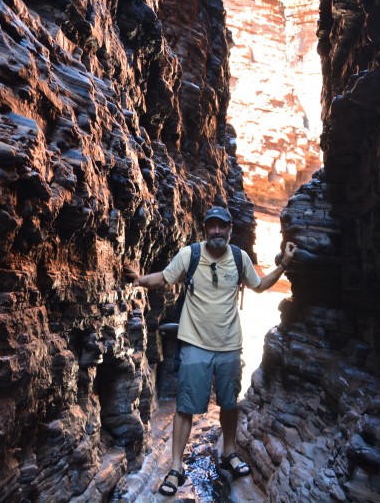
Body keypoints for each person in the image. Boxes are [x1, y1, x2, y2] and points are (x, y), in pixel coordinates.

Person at [124, 205, 297, 497]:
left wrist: (284, 265)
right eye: (212, 226)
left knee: (229, 402)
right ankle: (176, 467)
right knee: (185, 406)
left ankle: (229, 453)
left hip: (229, 346)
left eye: (222, 226)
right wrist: (140, 280)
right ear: (205, 229)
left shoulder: (239, 258)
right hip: (195, 345)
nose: (217, 231)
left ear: (230, 229)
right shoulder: (190, 255)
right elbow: (164, 278)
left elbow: (259, 285)